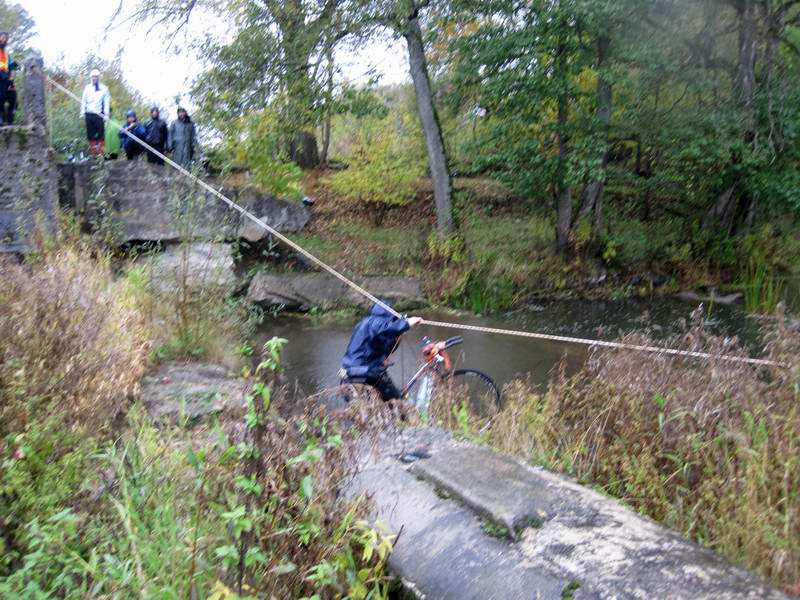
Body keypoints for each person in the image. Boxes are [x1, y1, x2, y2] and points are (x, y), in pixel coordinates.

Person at [340, 302, 423, 402]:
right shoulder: (376, 323)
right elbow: (388, 328)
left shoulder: (364, 323)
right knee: (397, 402)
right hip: (365, 373)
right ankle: (402, 411)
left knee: (361, 411)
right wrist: (408, 323)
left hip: (347, 376)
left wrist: (395, 339)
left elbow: (374, 345)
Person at [80, 69, 110, 157]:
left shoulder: (104, 88)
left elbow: (106, 102)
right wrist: (82, 112)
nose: (94, 78)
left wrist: (106, 114)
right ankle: (93, 153)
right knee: (91, 134)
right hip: (89, 113)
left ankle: (100, 152)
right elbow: (83, 100)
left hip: (99, 114)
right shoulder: (87, 88)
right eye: (93, 77)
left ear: (99, 77)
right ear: (91, 78)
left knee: (100, 133)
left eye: (96, 77)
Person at [0, 31, 19, 125]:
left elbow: (9, 67)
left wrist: (13, 65)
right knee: (0, 97)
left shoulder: (6, 54)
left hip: (6, 79)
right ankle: (1, 118)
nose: (4, 40)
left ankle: (10, 120)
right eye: (2, 38)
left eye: (6, 39)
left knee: (13, 98)